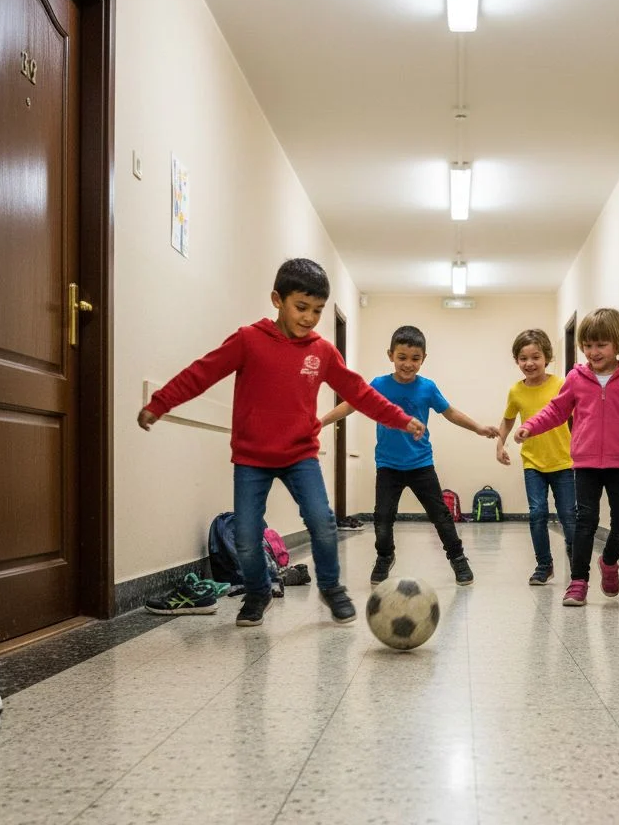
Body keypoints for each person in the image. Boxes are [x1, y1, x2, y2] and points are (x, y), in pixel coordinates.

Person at [137, 258, 424, 628]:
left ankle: (332, 588)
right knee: (246, 536)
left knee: (322, 522)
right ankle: (258, 592)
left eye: (317, 310)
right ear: (277, 299)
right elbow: (201, 373)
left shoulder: (322, 351)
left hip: (300, 454)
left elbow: (360, 393)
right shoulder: (248, 340)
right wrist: (160, 403)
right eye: (301, 307)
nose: (309, 318)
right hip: (251, 457)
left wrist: (401, 419)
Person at [514, 307, 619, 606]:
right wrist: (530, 426)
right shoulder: (577, 377)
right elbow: (556, 410)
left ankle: (608, 562)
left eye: (601, 344)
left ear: (618, 343)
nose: (593, 352)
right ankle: (578, 582)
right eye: (587, 345)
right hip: (585, 463)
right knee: (584, 522)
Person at [321, 325, 500, 586]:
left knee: (440, 515)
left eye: (415, 358)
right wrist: (320, 422)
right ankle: (385, 557)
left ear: (423, 358)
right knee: (383, 518)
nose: (408, 364)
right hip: (388, 465)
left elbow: (450, 412)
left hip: (420, 464)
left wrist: (479, 428)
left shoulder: (427, 388)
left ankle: (458, 558)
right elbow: (351, 404)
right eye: (402, 357)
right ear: (390, 355)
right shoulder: (379, 385)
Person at [496, 329, 576, 585]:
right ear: (517, 360)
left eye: (535, 357)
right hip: (533, 462)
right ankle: (544, 565)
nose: (529, 363)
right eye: (523, 358)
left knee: (568, 516)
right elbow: (508, 420)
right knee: (537, 513)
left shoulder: (561, 385)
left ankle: (577, 563)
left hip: (563, 461)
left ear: (547, 358)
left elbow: (578, 416)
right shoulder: (516, 391)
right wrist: (500, 444)